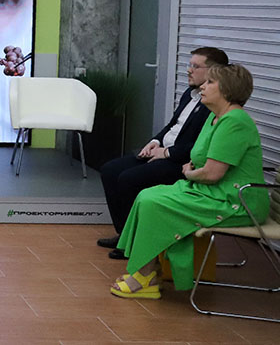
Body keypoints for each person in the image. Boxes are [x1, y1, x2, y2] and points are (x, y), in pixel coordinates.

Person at [110, 63, 267, 299]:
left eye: (210, 82)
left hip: (235, 202)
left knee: (155, 203)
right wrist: (193, 170)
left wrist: (189, 173)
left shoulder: (235, 122)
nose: (203, 86)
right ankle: (149, 272)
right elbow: (201, 157)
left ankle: (144, 277)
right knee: (146, 195)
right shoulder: (215, 117)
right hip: (211, 192)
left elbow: (212, 173)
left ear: (227, 89)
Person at [98, 47, 229, 259]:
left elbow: (199, 146)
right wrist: (154, 142)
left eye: (195, 66)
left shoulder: (213, 104)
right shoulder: (189, 94)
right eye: (189, 64)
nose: (189, 70)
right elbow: (171, 125)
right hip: (162, 152)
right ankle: (125, 235)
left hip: (179, 161)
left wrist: (166, 152)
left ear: (215, 72)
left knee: (128, 179)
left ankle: (137, 243)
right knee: (110, 170)